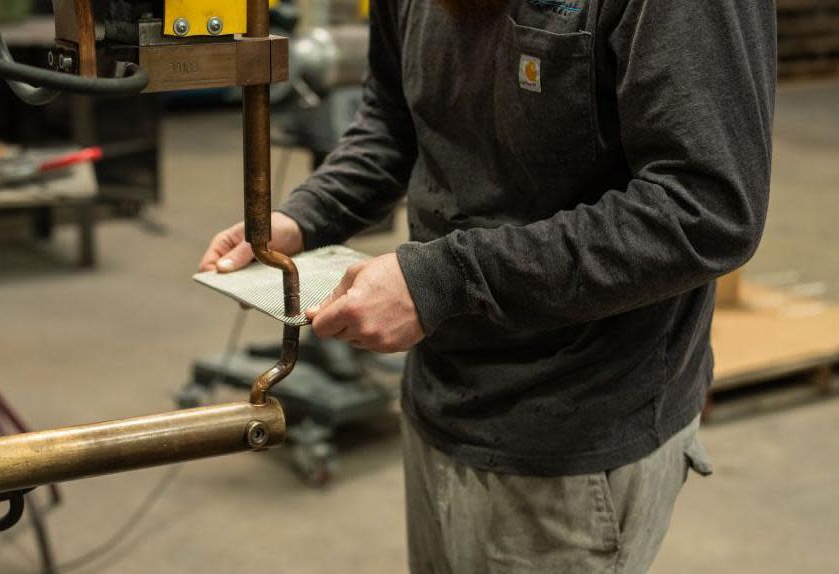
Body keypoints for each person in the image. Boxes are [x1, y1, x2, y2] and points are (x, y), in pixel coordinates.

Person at [200, 0, 775, 570]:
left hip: (577, 432)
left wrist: (445, 280)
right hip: (440, 394)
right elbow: (392, 121)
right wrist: (303, 219)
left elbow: (703, 209)